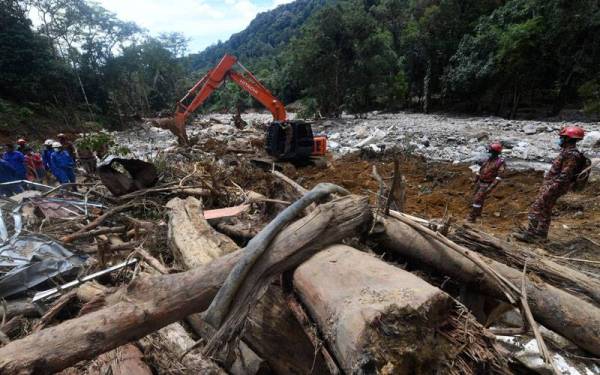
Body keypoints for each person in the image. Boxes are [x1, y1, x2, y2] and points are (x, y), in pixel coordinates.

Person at [514, 126, 588, 242]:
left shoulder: (571, 155)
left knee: (537, 207)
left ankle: (530, 233)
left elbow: (565, 175)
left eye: (562, 137)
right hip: (554, 185)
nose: (560, 139)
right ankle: (541, 235)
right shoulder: (567, 152)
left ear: (568, 139)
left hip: (555, 186)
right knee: (545, 209)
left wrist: (551, 188)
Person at [467, 142, 506, 222]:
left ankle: (472, 217)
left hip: (486, 184)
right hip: (480, 182)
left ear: (495, 152)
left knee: (477, 199)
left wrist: (491, 187)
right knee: (478, 199)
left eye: (491, 152)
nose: (490, 153)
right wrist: (475, 180)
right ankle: (478, 214)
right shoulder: (488, 160)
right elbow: (480, 171)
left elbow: (498, 177)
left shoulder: (500, 162)